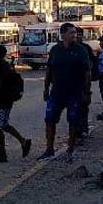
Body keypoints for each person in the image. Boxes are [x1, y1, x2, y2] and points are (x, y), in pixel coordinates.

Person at [39, 23, 89, 160]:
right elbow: (49, 70)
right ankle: (49, 149)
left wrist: (86, 92)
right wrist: (45, 88)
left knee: (73, 121)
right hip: (57, 92)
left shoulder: (81, 50)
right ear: (63, 34)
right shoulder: (55, 50)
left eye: (75, 33)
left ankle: (70, 149)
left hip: (75, 92)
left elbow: (86, 73)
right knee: (49, 119)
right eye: (71, 32)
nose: (75, 35)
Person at [0, 44, 32, 163]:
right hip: (7, 100)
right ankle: (23, 141)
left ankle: (3, 154)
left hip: (1, 101)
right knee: (2, 124)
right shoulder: (6, 65)